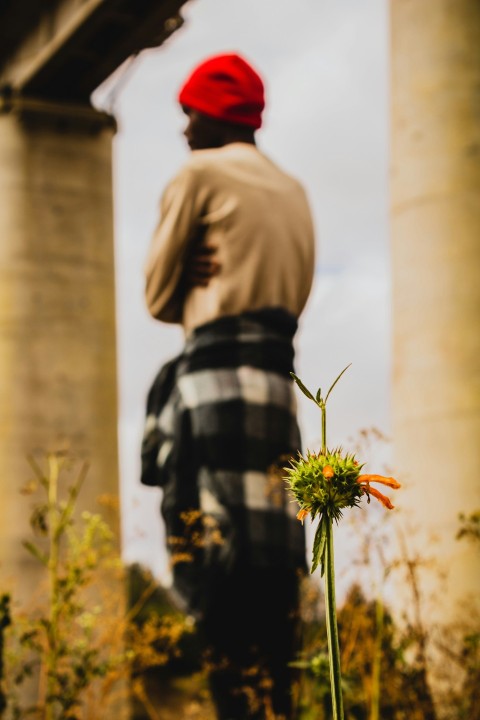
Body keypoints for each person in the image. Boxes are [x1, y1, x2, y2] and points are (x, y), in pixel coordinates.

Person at [141, 52, 315, 719]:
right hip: (276, 388)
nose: (184, 131)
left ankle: (233, 701)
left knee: (215, 565)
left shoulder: (199, 174)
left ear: (214, 114)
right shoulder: (294, 190)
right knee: (270, 565)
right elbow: (292, 299)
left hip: (212, 385)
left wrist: (189, 270)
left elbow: (158, 296)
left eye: (189, 114)